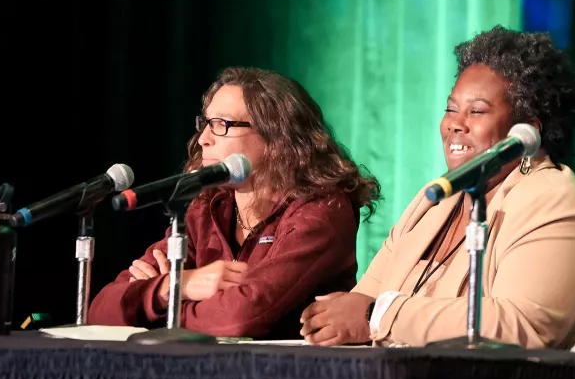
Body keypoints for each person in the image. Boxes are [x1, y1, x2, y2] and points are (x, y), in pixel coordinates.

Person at [299, 26, 575, 349]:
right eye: (451, 109)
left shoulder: (559, 204)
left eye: (476, 111)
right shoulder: (437, 200)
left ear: (528, 132)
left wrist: (378, 316)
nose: (454, 123)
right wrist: (333, 321)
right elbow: (362, 302)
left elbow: (523, 327)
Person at [88, 67, 380, 338]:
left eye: (221, 125)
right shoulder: (207, 208)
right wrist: (176, 286)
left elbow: (241, 318)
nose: (203, 139)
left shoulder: (322, 210)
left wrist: (152, 307)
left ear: (276, 138)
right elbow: (101, 311)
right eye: (205, 124)